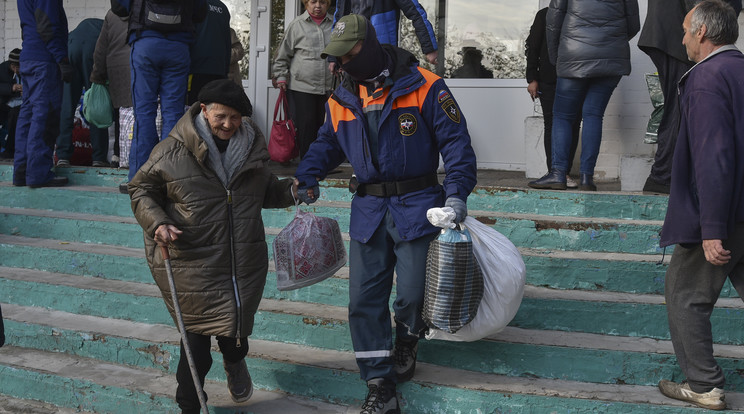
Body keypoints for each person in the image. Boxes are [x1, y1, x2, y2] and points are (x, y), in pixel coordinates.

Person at [295, 14, 477, 414]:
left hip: (419, 207)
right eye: (336, 58)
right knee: (363, 300)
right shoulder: (341, 97)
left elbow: (457, 145)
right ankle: (379, 384)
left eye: (346, 55)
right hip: (369, 210)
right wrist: (307, 176)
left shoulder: (426, 85)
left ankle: (408, 339)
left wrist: (457, 194)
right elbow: (327, 144)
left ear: (368, 46)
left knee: (413, 295)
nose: (340, 64)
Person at [128, 79, 300, 413]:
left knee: (234, 340)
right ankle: (190, 406)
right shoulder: (170, 151)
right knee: (195, 347)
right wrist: (158, 222)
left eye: (235, 118)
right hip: (190, 261)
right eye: (221, 116)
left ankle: (235, 363)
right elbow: (140, 189)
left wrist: (291, 191)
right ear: (203, 110)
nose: (227, 125)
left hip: (240, 262)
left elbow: (264, 192)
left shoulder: (251, 151)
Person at [657, 1, 744, 410]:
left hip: (724, 213)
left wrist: (711, 227)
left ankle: (704, 385)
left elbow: (714, 156)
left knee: (684, 295)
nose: (683, 38)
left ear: (704, 33)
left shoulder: (707, 77)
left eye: (687, 31)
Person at [529, 0, 639, 191]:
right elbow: (633, 25)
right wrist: (609, 42)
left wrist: (558, 57)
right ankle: (587, 178)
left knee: (562, 117)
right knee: (593, 116)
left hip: (574, 54)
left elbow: (553, 22)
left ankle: (558, 173)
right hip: (612, 58)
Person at [639, 0, 741, 194]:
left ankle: (665, 176)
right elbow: (701, 6)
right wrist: (706, 26)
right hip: (680, 36)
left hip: (670, 32)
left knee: (677, 107)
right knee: (679, 109)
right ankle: (663, 177)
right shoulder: (695, 29)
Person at [111, 0, 208, 193]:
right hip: (178, 47)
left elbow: (119, 7)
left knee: (144, 115)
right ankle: (167, 179)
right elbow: (200, 12)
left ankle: (140, 179)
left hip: (145, 43)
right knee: (173, 116)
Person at [14, 0, 72, 188]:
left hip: (29, 57)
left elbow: (28, 25)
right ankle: (38, 173)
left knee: (28, 116)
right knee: (44, 116)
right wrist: (61, 58)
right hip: (44, 59)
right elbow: (48, 24)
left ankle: (22, 171)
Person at [525, 7, 580, 189]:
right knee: (552, 124)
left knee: (572, 124)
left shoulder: (579, 12)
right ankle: (556, 172)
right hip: (549, 79)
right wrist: (532, 78)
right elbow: (532, 46)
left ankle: (564, 172)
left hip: (575, 77)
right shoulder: (544, 14)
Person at [271, 0, 333, 159]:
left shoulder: (335, 24)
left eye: (323, 2)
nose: (318, 6)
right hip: (302, 87)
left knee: (326, 127)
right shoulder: (296, 25)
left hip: (329, 86)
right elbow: (282, 55)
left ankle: (322, 164)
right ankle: (307, 165)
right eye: (313, 2)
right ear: (306, 3)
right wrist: (281, 76)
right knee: (306, 128)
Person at [328, 0, 439, 73]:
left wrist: (429, 48)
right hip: (353, 57)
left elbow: (416, 13)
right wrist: (334, 57)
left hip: (383, 56)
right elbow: (339, 21)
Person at [55, 18, 109, 168]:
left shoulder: (83, 27)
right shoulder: (109, 26)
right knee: (96, 105)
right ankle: (98, 158)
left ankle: (63, 156)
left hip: (71, 47)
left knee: (67, 105)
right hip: (93, 49)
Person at [90, 9, 133, 169]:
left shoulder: (111, 14)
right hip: (139, 64)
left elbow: (100, 49)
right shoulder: (144, 7)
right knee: (141, 113)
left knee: (120, 112)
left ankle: (118, 155)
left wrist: (97, 76)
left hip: (116, 69)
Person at [186, 0, 232, 105]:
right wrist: (225, 70)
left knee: (195, 110)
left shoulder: (194, 4)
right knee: (215, 109)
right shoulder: (223, 8)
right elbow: (227, 42)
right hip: (219, 70)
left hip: (196, 69)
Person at [0, 48, 22, 160]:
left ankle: (10, 150)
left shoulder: (26, 71)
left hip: (20, 106)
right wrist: (11, 88)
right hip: (5, 104)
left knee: (15, 114)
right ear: (13, 66)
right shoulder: (2, 70)